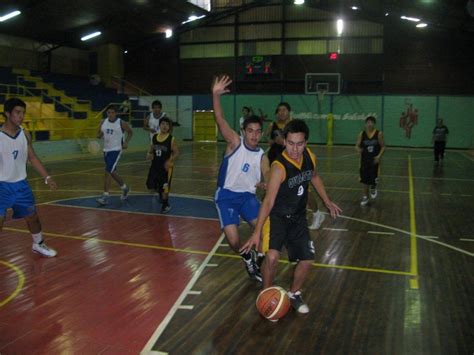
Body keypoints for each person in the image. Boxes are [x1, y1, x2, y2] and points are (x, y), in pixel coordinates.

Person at [241, 119, 341, 314]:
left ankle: (294, 293)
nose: (295, 149)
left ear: (306, 143)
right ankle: (266, 295)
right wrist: (257, 232)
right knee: (271, 257)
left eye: (300, 143)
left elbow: (314, 176)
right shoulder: (279, 167)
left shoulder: (309, 156)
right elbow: (268, 202)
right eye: (291, 143)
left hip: (298, 217)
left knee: (307, 259)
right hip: (276, 217)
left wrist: (327, 201)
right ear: (284, 142)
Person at [212, 75, 269, 282]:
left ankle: (259, 260)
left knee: (265, 230)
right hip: (226, 197)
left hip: (247, 198)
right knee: (235, 241)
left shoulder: (262, 155)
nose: (254, 135)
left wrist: (268, 183)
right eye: (250, 131)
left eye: (257, 132)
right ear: (243, 131)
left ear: (261, 134)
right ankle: (246, 256)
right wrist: (215, 95)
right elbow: (220, 119)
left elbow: (268, 172)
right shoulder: (234, 143)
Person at [0, 98, 58, 257]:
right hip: (2, 186)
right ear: (7, 113)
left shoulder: (25, 134)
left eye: (23, 113)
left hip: (21, 186)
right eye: (17, 112)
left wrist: (47, 177)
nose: (21, 116)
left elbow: (32, 158)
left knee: (32, 217)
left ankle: (38, 244)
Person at [265, 102, 325, 230]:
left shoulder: (294, 126)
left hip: (294, 160)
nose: (282, 112)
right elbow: (267, 137)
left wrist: (285, 143)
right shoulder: (273, 125)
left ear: (289, 112)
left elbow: (300, 143)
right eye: (279, 110)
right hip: (277, 159)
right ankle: (272, 219)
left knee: (304, 191)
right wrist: (270, 141)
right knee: (270, 189)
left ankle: (317, 213)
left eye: (284, 110)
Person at [96, 105, 133, 205]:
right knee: (112, 172)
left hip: (116, 150)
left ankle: (105, 196)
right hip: (106, 150)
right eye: (109, 113)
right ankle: (125, 188)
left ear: (116, 113)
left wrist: (126, 142)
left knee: (107, 171)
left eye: (112, 112)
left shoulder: (121, 123)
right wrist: (99, 132)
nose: (110, 114)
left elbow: (130, 132)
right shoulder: (103, 122)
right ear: (107, 113)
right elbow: (99, 135)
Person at [146, 117, 179, 213]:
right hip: (155, 166)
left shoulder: (171, 139)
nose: (165, 126)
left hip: (166, 168)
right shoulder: (155, 137)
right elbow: (151, 148)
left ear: (169, 127)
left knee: (165, 188)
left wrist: (170, 160)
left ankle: (166, 204)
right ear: (159, 125)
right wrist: (149, 153)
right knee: (150, 184)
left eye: (167, 124)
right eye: (163, 124)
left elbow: (176, 153)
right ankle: (160, 192)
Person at [355, 116, 385, 207]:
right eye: (368, 122)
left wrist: (379, 156)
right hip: (364, 160)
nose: (369, 124)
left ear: (374, 124)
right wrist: (358, 149)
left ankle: (373, 187)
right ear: (365, 124)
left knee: (373, 178)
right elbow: (356, 145)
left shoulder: (378, 134)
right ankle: (365, 197)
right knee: (364, 180)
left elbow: (383, 146)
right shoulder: (362, 134)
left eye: (371, 122)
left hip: (374, 160)